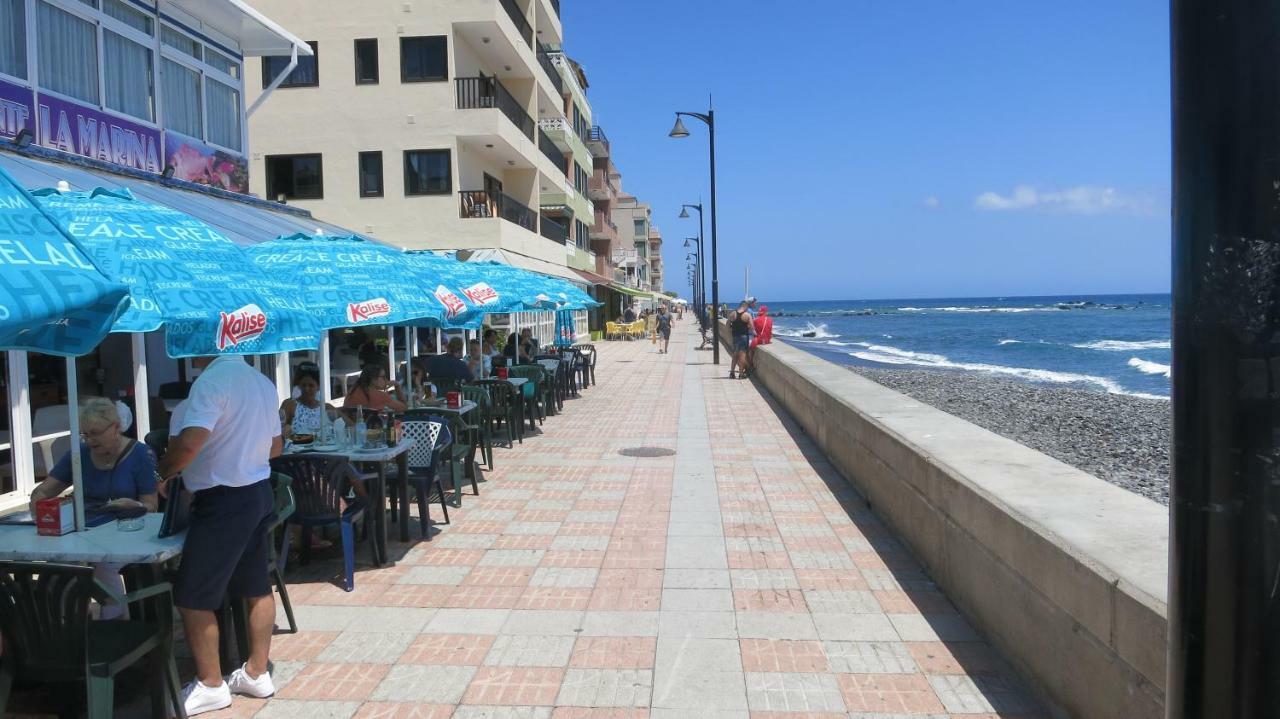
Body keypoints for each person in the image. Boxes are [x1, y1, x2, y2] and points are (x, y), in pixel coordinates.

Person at [157, 355, 282, 715]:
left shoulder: (210, 383)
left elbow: (189, 444)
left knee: (193, 596)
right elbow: (275, 447)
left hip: (223, 499)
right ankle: (257, 673)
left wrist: (161, 471)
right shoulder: (261, 382)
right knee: (256, 586)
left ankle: (211, 683)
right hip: (257, 490)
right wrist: (237, 449)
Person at [28, 398, 158, 620]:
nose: (89, 440)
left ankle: (114, 626)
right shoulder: (78, 456)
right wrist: (41, 507)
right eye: (85, 434)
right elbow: (42, 492)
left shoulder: (140, 455)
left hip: (127, 530)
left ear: (115, 427)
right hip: (85, 529)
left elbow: (152, 506)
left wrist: (134, 505)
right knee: (60, 566)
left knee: (102, 566)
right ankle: (66, 628)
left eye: (95, 433)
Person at [278, 363, 331, 439]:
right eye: (303, 385)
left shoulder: (326, 407)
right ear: (299, 385)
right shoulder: (290, 405)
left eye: (311, 385)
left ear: (318, 387)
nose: (306, 389)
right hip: (295, 449)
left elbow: (350, 426)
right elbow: (276, 430)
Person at [343, 362, 407, 417]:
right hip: (373, 429)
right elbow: (404, 408)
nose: (386, 380)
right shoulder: (380, 396)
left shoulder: (352, 391)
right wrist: (397, 386)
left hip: (353, 427)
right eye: (383, 377)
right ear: (373, 379)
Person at [729, 298, 756, 379]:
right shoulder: (747, 315)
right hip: (743, 336)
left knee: (735, 355)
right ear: (745, 306)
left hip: (735, 336)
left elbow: (727, 325)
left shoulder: (732, 313)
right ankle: (741, 374)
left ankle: (732, 373)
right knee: (742, 355)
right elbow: (752, 328)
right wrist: (755, 335)